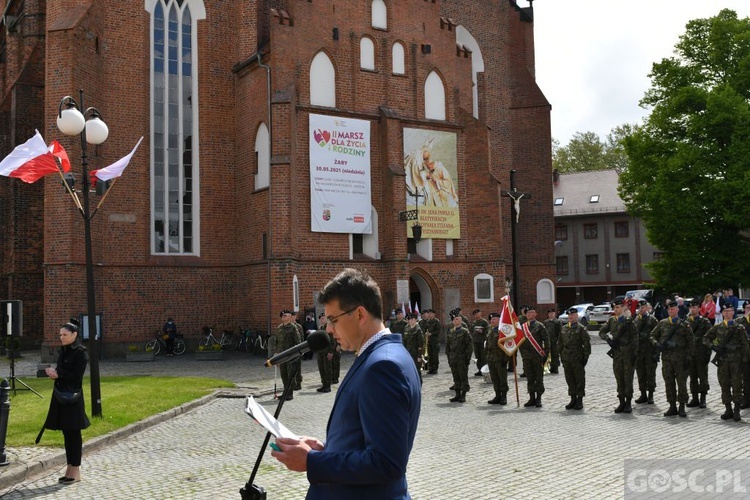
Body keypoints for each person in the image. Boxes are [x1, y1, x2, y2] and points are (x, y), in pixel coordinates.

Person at [272, 268, 421, 499]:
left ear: (360, 315)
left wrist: (312, 461)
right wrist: (325, 449)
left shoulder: (383, 366)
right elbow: (364, 439)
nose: (329, 329)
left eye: (333, 319)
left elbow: (386, 463)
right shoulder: (377, 355)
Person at [40, 319, 91, 484]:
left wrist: (59, 374)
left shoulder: (80, 352)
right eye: (60, 334)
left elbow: (77, 376)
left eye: (65, 334)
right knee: (66, 433)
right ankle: (69, 468)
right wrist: (54, 372)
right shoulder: (64, 351)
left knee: (74, 433)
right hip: (61, 395)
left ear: (74, 335)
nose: (61, 337)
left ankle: (75, 471)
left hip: (73, 398)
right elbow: (63, 370)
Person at [703, 304, 749, 422]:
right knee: (724, 384)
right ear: (722, 313)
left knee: (737, 385)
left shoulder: (739, 328)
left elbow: (745, 345)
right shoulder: (717, 327)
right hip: (723, 361)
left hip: (736, 362)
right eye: (725, 311)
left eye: (729, 311)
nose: (727, 313)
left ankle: (737, 409)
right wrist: (714, 347)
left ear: (733, 312)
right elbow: (706, 339)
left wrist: (744, 360)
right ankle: (728, 409)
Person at [650, 302, 694, 417]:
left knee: (681, 383)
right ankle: (672, 406)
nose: (671, 310)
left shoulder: (685, 324)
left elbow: (691, 342)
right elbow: (652, 335)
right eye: (669, 309)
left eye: (673, 308)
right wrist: (657, 344)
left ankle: (682, 406)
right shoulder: (663, 323)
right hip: (667, 358)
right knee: (669, 383)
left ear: (677, 310)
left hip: (680, 358)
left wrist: (688, 358)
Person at [599, 300, 638, 414]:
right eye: (614, 308)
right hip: (617, 354)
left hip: (627, 354)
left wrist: (634, 354)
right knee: (619, 378)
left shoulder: (629, 322)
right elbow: (601, 332)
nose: (615, 310)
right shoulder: (611, 320)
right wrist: (608, 340)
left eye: (617, 307)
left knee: (628, 378)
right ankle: (621, 402)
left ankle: (628, 403)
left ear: (623, 308)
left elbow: (635, 339)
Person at [558, 308, 590, 410]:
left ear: (577, 316)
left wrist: (585, 357)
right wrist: (561, 355)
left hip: (577, 358)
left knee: (579, 379)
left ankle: (579, 400)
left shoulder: (581, 328)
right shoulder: (564, 328)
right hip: (566, 358)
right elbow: (560, 343)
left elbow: (586, 344)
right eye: (569, 315)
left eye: (573, 315)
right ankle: (572, 398)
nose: (570, 317)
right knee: (570, 379)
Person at [519, 306, 550, 408]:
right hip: (526, 357)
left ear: (535, 314)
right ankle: (531, 397)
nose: (529, 314)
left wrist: (544, 355)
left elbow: (546, 341)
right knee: (530, 377)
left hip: (537, 356)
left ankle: (539, 398)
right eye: (527, 313)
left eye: (531, 312)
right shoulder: (523, 327)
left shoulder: (540, 326)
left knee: (538, 377)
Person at [685, 300, 712, 408]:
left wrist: (708, 354)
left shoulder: (705, 322)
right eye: (691, 307)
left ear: (699, 309)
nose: (692, 309)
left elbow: (709, 338)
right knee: (692, 377)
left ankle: (703, 399)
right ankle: (695, 398)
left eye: (695, 307)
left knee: (703, 376)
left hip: (701, 353)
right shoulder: (686, 322)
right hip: (690, 354)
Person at [633, 300, 659, 405]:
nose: (641, 309)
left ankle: (651, 395)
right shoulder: (636, 319)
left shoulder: (652, 319)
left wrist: (657, 351)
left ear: (648, 308)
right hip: (639, 351)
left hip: (649, 351)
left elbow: (658, 334)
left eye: (643, 307)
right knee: (640, 373)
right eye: (640, 307)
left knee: (650, 373)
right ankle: (643, 394)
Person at [275, 310, 302, 400]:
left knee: (290, 375)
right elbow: (277, 342)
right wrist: (276, 353)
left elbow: (298, 342)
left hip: (290, 356)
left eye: (286, 316)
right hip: (282, 356)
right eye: (283, 316)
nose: (284, 317)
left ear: (290, 317)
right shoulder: (279, 328)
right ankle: (285, 393)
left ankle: (289, 394)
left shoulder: (293, 328)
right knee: (284, 375)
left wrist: (297, 354)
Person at [445, 312, 472, 403]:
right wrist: (449, 357)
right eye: (454, 319)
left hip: (462, 358)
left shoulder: (464, 331)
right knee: (455, 376)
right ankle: (457, 394)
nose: (455, 321)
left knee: (463, 376)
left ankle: (463, 395)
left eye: (457, 319)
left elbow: (469, 346)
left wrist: (467, 358)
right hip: (453, 358)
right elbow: (448, 346)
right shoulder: (451, 332)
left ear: (461, 320)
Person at [484, 312, 509, 405]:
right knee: (494, 378)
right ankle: (497, 395)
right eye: (491, 319)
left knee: (502, 378)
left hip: (500, 359)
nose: (492, 321)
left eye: (494, 319)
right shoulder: (490, 330)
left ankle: (504, 396)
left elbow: (508, 346)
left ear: (499, 320)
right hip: (491, 358)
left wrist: (506, 358)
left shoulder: (502, 331)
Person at [402, 313, 425, 384]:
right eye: (409, 319)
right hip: (408, 353)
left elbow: (420, 344)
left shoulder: (418, 330)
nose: (411, 321)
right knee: (409, 370)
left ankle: (419, 384)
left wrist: (419, 355)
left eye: (412, 319)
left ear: (416, 320)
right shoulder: (406, 329)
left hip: (415, 354)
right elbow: (404, 342)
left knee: (417, 370)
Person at [315, 313, 335, 393]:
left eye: (323, 318)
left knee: (327, 369)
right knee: (321, 368)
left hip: (327, 351)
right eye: (320, 318)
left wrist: (331, 352)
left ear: (326, 319)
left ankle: (328, 386)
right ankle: (324, 384)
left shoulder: (328, 327)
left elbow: (332, 341)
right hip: (320, 352)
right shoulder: (320, 328)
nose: (321, 320)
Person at [469, 309, 490, 376]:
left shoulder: (484, 322)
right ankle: (479, 370)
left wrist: (482, 332)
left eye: (477, 313)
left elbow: (488, 331)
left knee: (483, 357)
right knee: (477, 357)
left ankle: (484, 370)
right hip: (476, 342)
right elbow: (471, 331)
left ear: (480, 313)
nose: (476, 315)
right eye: (475, 314)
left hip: (482, 341)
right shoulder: (474, 322)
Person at [738, 301, 750, 409]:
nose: (749, 310)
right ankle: (746, 400)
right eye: (747, 308)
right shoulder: (739, 321)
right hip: (745, 354)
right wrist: (743, 319)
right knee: (745, 378)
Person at [422, 309, 442, 374]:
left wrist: (432, 333)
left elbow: (438, 331)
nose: (429, 315)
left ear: (434, 314)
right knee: (429, 355)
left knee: (435, 356)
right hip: (429, 341)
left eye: (431, 313)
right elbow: (425, 329)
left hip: (435, 341)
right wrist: (426, 333)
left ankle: (435, 368)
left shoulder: (437, 321)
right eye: (429, 313)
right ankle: (431, 368)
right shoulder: (427, 321)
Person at [543, 308, 562, 374]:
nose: (551, 315)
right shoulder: (546, 322)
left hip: (555, 341)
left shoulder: (558, 322)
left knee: (555, 354)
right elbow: (544, 332)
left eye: (552, 313)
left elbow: (560, 332)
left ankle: (555, 367)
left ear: (555, 314)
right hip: (548, 341)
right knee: (548, 354)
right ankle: (550, 367)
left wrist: (559, 340)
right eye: (550, 313)